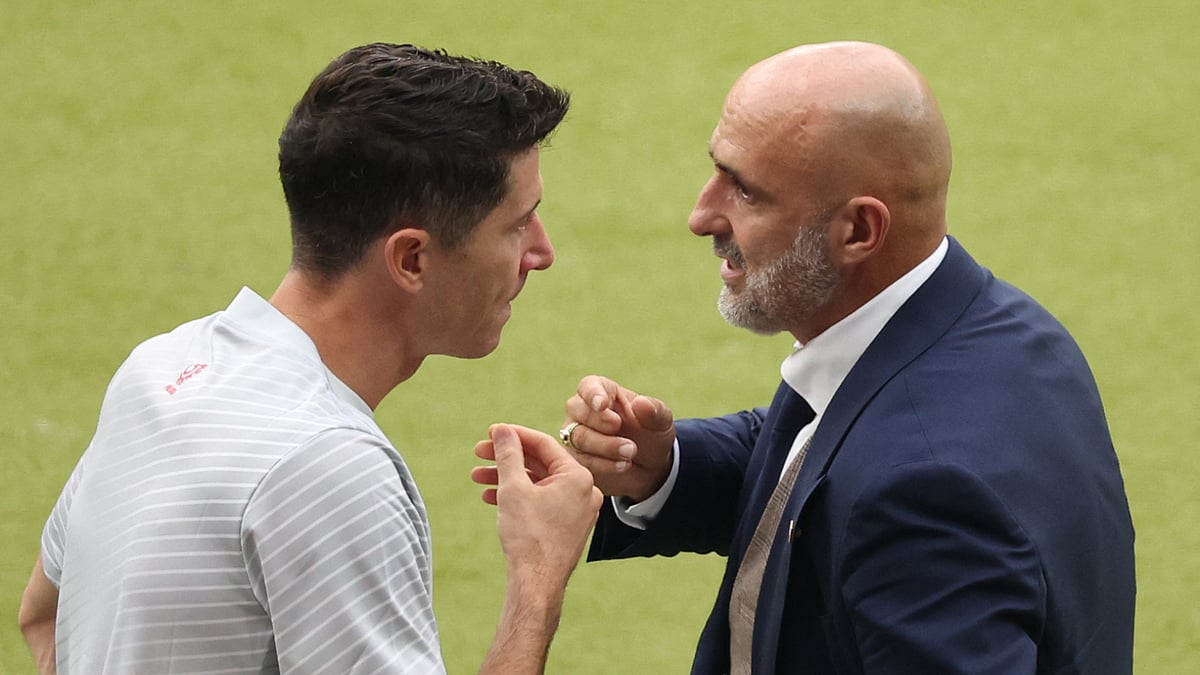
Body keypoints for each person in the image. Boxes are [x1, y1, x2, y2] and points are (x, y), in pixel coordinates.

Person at [18, 42, 602, 675]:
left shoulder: (160, 369)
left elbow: (43, 616)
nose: (541, 253)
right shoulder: (330, 468)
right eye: (518, 224)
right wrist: (537, 574)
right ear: (411, 259)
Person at [553, 41, 1135, 673]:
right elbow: (827, 448)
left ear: (858, 231)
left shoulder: (923, 496)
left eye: (746, 193)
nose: (701, 215)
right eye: (717, 170)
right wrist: (665, 469)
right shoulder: (1005, 334)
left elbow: (889, 476)